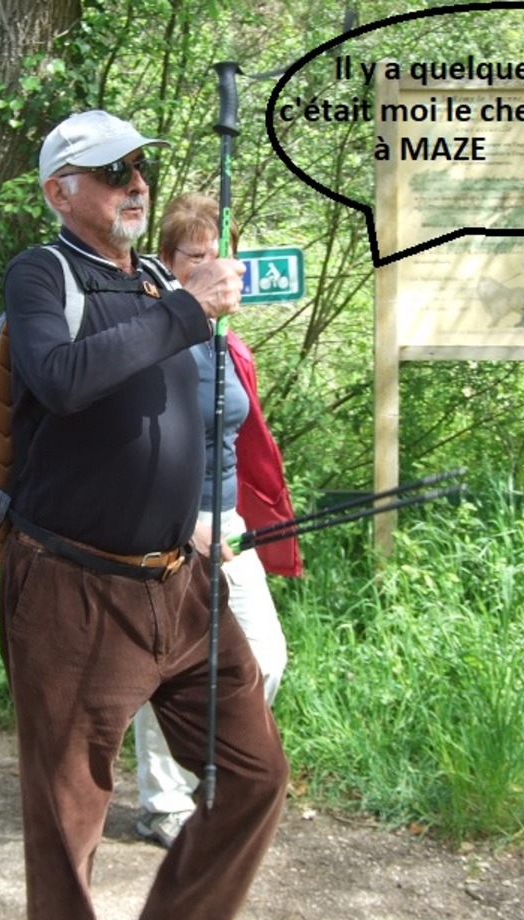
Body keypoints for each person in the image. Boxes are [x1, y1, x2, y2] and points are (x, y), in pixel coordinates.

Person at [0, 110, 290, 920]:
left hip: (183, 583)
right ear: (61, 192)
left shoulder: (161, 283)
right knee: (67, 824)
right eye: (113, 171)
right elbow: (61, 378)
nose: (136, 183)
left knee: (254, 774)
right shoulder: (43, 273)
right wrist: (187, 311)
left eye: (139, 168)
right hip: (74, 590)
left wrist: (198, 516)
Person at [133, 194, 302, 849]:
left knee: (264, 656)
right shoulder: (152, 336)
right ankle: (164, 803)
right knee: (174, 666)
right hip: (167, 525)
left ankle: (212, 772)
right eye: (195, 254)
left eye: (219, 254)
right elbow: (131, 448)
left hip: (228, 523)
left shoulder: (229, 344)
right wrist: (183, 524)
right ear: (168, 263)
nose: (211, 266)